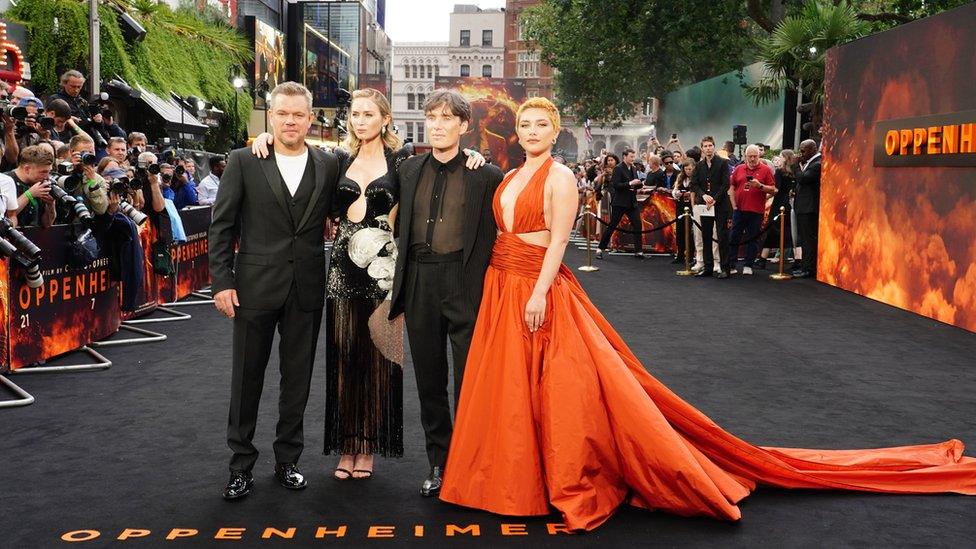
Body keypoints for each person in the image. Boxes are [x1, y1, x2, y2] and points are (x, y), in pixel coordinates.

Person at [439, 96, 976, 532]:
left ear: (554, 131)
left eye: (540, 124)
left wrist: (537, 292)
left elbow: (559, 240)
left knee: (558, 390)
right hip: (500, 286)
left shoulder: (557, 177)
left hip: (538, 289)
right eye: (525, 124)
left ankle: (544, 480)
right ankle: (505, 475)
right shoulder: (506, 176)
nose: (531, 131)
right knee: (509, 387)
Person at [251, 89, 487, 484]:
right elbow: (293, 149)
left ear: (385, 119)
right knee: (344, 361)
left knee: (379, 363)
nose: (360, 121)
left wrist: (477, 156)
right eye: (355, 114)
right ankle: (347, 446)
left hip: (385, 273)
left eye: (368, 114)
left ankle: (370, 448)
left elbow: (446, 166)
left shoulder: (403, 163)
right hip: (342, 270)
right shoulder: (336, 160)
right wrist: (266, 137)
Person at [208, 81, 339, 501]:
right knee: (247, 378)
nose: (290, 121)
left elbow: (376, 169)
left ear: (311, 118)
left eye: (298, 114)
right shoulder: (244, 160)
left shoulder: (329, 163)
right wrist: (222, 282)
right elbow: (222, 226)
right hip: (253, 287)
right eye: (282, 114)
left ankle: (288, 461)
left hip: (307, 288)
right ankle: (240, 465)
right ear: (270, 117)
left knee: (297, 381)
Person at [387, 89, 503, 497]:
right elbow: (356, 160)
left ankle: (476, 465)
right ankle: (440, 464)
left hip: (464, 282)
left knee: (471, 381)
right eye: (432, 116)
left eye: (446, 118)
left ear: (464, 126)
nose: (437, 124)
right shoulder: (408, 169)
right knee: (430, 383)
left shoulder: (485, 174)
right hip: (418, 280)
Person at [727, 144, 776, 275]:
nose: (753, 159)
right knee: (734, 236)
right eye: (750, 156)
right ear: (745, 156)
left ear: (759, 156)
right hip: (739, 209)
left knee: (753, 238)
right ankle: (731, 264)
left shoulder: (765, 169)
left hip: (756, 210)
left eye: (755, 156)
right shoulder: (738, 168)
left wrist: (760, 186)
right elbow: (731, 187)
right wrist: (733, 205)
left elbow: (773, 189)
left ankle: (748, 264)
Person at [690, 136, 731, 278]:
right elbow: (693, 184)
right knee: (706, 235)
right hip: (705, 206)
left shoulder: (723, 163)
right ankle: (708, 267)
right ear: (702, 148)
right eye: (705, 146)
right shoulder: (699, 166)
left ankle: (725, 268)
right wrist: (703, 195)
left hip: (720, 205)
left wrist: (714, 198)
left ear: (714, 147)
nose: (708, 148)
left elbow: (726, 184)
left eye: (710, 145)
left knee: (722, 236)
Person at [595, 147, 645, 259]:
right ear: (624, 157)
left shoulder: (633, 168)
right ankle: (600, 248)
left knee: (637, 225)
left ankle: (639, 251)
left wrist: (638, 185)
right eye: (631, 157)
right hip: (620, 202)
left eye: (633, 156)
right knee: (612, 225)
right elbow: (616, 185)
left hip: (631, 202)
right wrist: (630, 183)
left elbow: (635, 183)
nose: (633, 159)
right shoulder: (618, 168)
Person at [760, 149, 796, 268]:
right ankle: (798, 260)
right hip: (788, 204)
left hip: (778, 205)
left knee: (771, 230)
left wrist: (764, 197)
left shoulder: (779, 172)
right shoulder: (794, 172)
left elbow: (775, 189)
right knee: (789, 232)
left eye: (780, 156)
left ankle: (762, 260)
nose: (779, 158)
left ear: (785, 158)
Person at [792, 139, 821, 278]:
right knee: (804, 239)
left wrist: (795, 166)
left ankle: (808, 269)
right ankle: (805, 266)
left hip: (809, 208)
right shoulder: (810, 163)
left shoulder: (817, 163)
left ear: (812, 149)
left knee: (808, 239)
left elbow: (803, 179)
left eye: (803, 151)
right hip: (803, 207)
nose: (800, 153)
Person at [8, 145, 56, 228]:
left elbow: (47, 224)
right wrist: (29, 194)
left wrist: (51, 205)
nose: (47, 177)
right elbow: (5, 216)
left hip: (34, 237)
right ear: (27, 169)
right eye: (43, 172)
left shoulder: (39, 183)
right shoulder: (5, 181)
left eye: (49, 172)